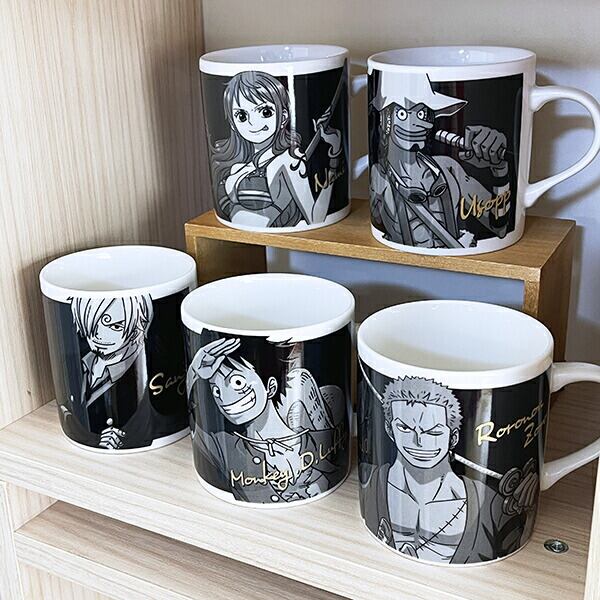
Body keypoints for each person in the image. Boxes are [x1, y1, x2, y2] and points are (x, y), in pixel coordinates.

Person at [359, 372, 538, 564]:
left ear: (453, 438)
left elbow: (513, 543)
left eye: (433, 432)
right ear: (389, 429)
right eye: (405, 428)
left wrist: (525, 510)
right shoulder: (369, 481)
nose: (418, 441)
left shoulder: (491, 504)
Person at [187, 337, 348, 503]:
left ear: (270, 387)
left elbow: (335, 465)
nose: (224, 398)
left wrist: (318, 483)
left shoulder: (315, 439)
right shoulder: (225, 446)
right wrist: (194, 371)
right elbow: (195, 424)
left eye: (237, 382)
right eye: (217, 391)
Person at [370, 72, 512, 249]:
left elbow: (499, 226)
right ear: (385, 119)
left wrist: (499, 169)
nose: (417, 124)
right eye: (402, 114)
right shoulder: (380, 178)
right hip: (402, 261)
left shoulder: (447, 169)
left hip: (458, 263)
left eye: (422, 113)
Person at [209, 70, 343, 229]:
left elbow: (316, 218)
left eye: (265, 112)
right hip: (233, 238)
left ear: (283, 117)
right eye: (242, 116)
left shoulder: (287, 162)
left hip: (276, 241)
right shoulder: (237, 166)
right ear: (232, 123)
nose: (253, 123)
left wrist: (335, 154)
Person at [61, 295, 158, 450]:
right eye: (94, 323)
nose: (99, 335)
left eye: (115, 326)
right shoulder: (81, 362)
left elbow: (145, 431)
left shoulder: (139, 373)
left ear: (136, 329)